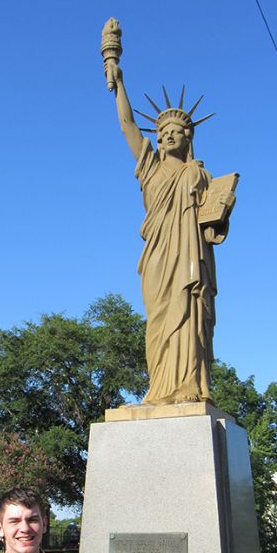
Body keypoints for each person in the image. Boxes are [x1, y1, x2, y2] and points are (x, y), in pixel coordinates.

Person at [106, 59, 229, 405]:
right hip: (158, 256)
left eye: (174, 131)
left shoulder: (198, 174)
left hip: (191, 255)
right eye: (161, 133)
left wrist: (221, 214)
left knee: (190, 313)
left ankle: (189, 383)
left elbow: (210, 222)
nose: (166, 135)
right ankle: (159, 389)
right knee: (158, 321)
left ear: (187, 137)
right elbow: (128, 125)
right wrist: (117, 78)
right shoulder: (150, 169)